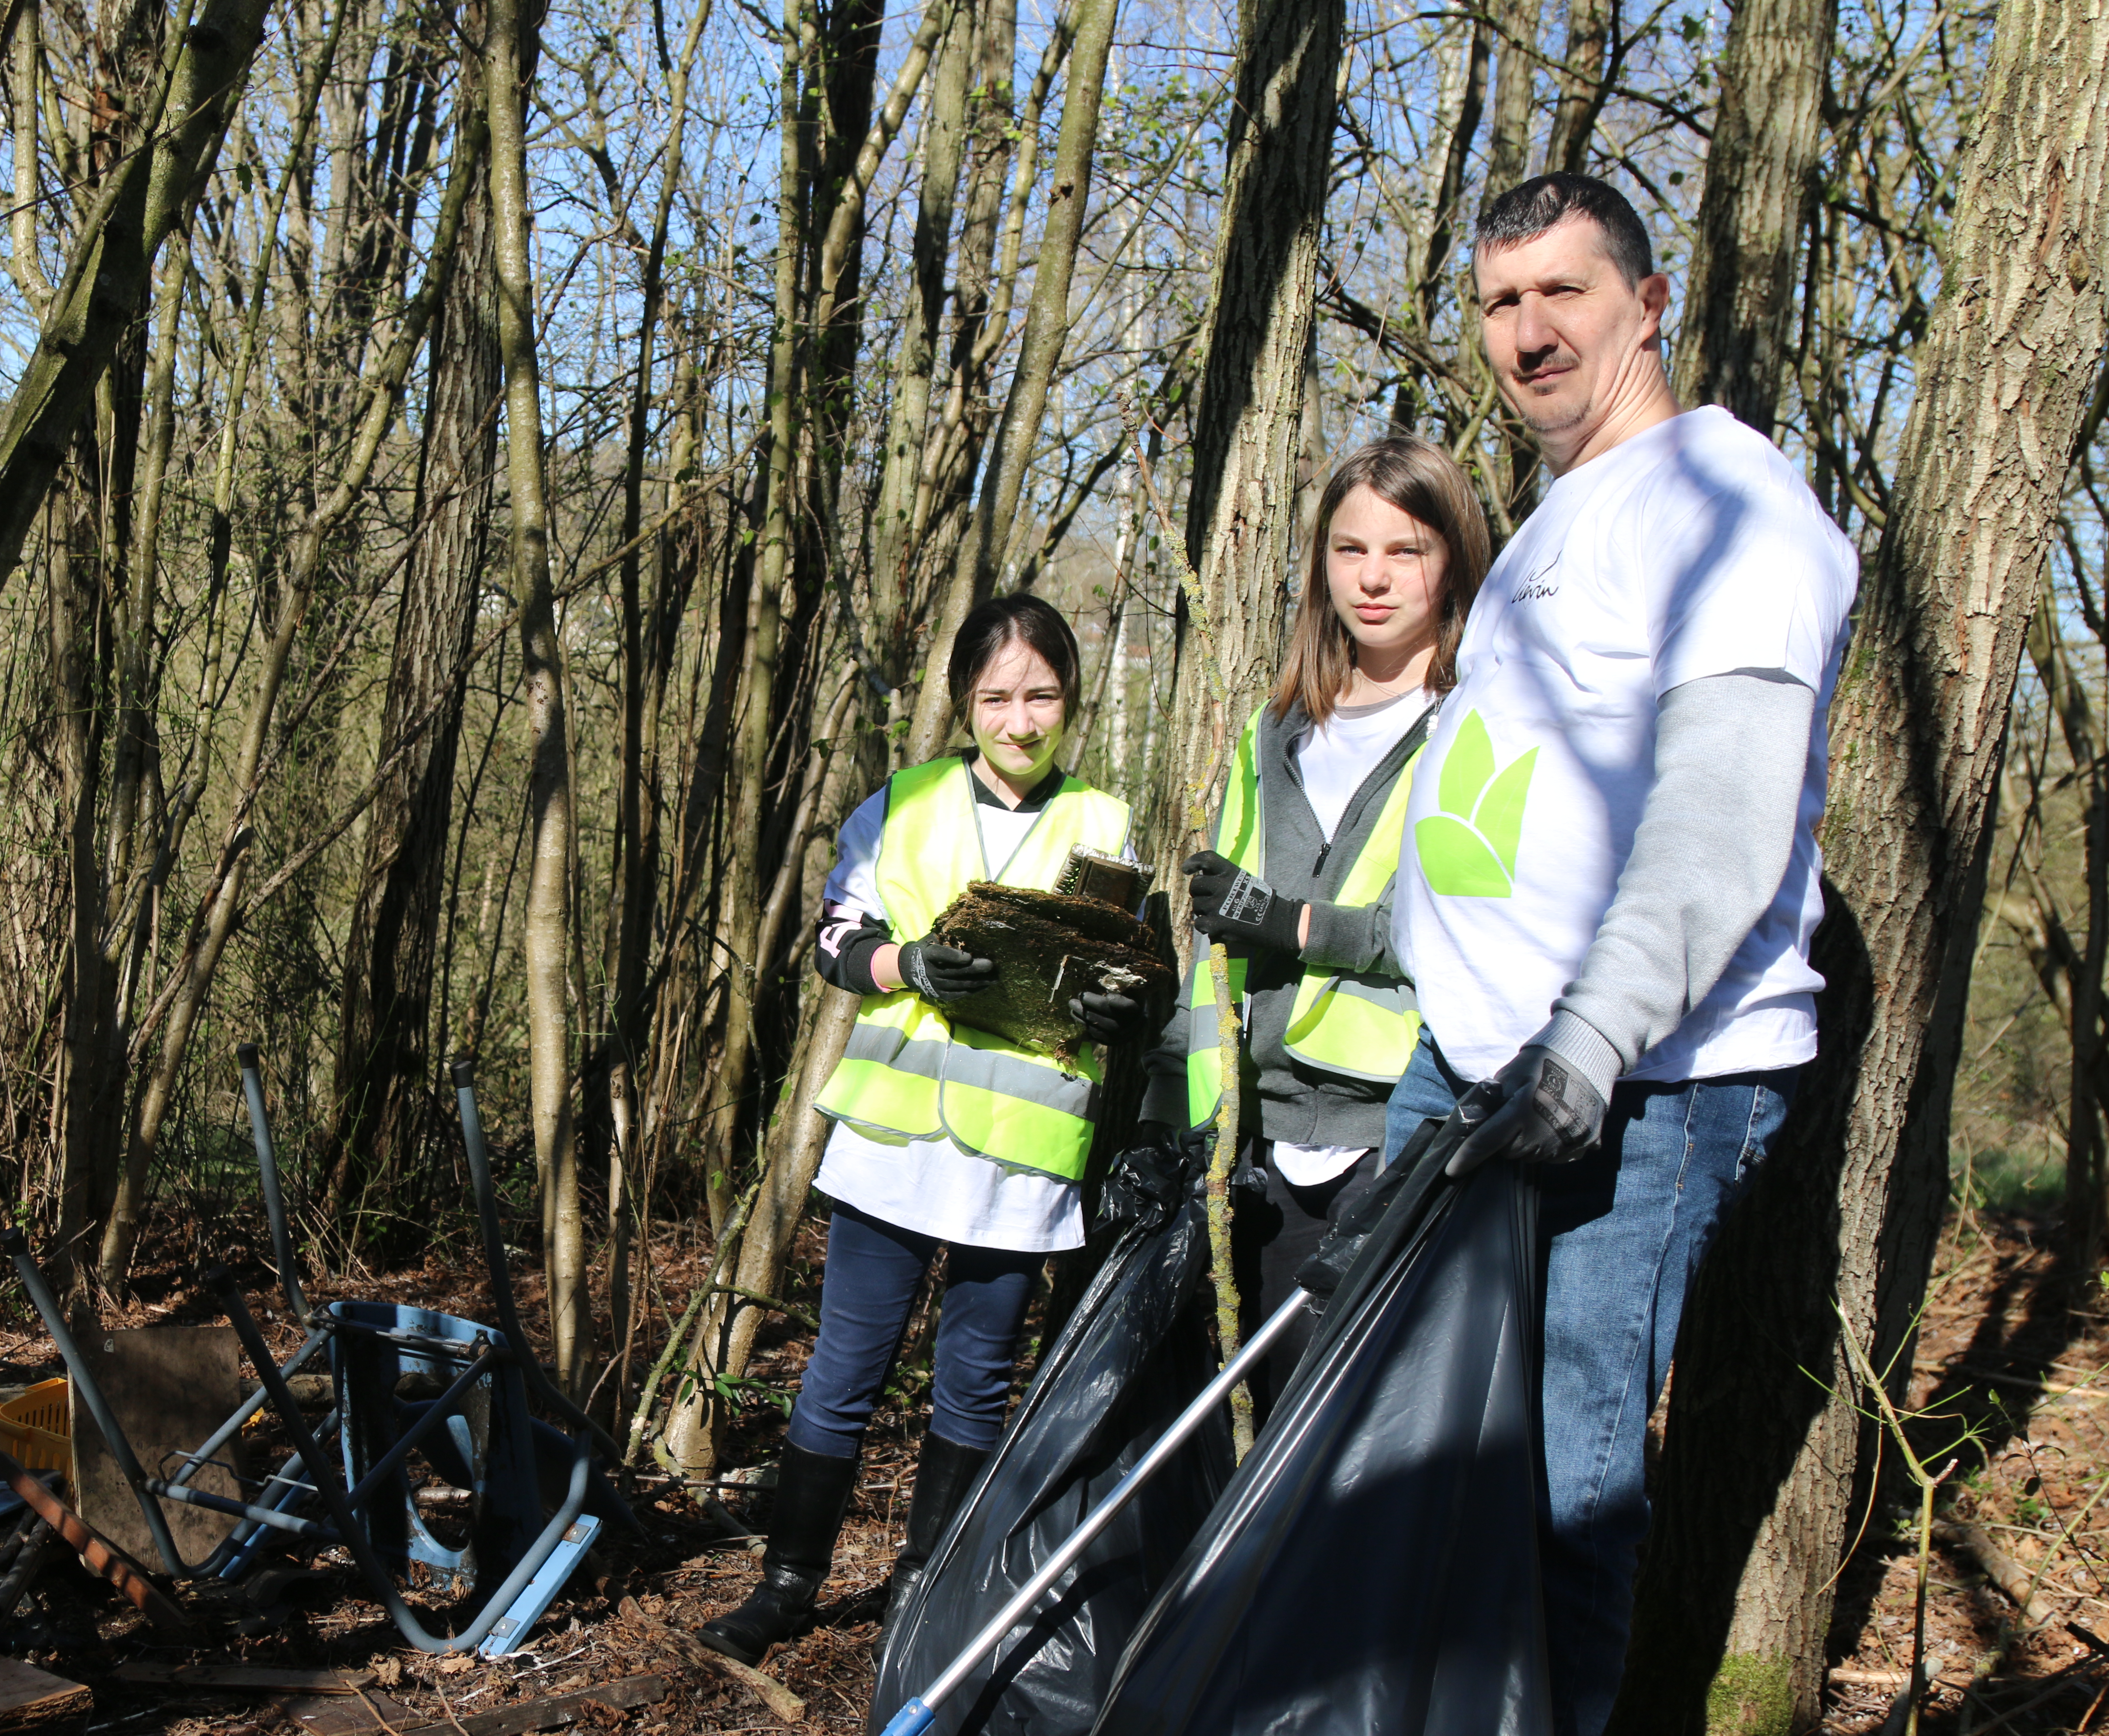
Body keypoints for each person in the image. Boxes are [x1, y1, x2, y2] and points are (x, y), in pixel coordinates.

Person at [1385, 173, 1859, 1736]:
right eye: (1500, 302)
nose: (1527, 333)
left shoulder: (1730, 507)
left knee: (1558, 1500)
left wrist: (1585, 1046)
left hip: (1633, 1087)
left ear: (1647, 303)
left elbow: (1723, 814)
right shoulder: (1553, 518)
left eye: (1563, 293)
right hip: (1472, 1064)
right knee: (1431, 1471)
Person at [695, 594, 1153, 1665]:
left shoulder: (1102, 823)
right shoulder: (900, 805)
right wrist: (909, 964)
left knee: (976, 1384)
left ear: (1071, 701)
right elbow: (837, 936)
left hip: (1021, 1158)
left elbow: (1123, 966)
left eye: (1042, 696)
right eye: (997, 697)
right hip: (895, 1148)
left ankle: (925, 1595)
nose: (1021, 720)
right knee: (841, 1372)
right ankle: (788, 1584)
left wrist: (1113, 1001)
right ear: (964, 703)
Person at [1143, 436, 1490, 1398]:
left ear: (1452, 560)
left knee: (1336, 1438)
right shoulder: (1276, 730)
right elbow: (1216, 947)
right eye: (1350, 550)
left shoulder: (1475, 726)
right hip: (1253, 1144)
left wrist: (1297, 925)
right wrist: (1164, 1117)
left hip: (1398, 1138)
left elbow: (1453, 935)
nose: (1373, 578)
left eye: (1406, 550)